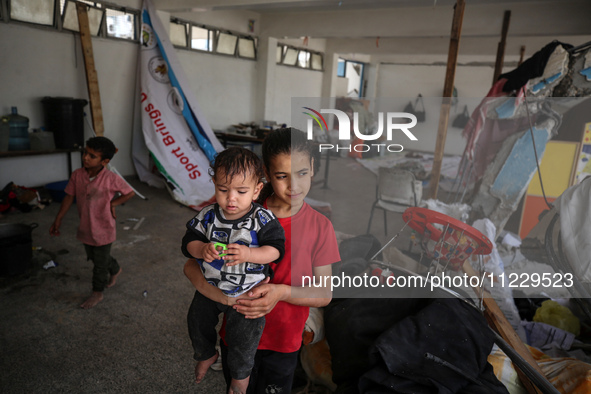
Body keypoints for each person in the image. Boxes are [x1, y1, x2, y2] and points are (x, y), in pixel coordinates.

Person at [184, 128, 340, 394]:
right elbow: (190, 265)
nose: (294, 186)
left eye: (302, 173)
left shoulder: (320, 227)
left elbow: (324, 293)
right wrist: (221, 297)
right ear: (266, 175)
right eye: (282, 176)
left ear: (313, 167)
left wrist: (281, 293)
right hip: (235, 334)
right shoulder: (236, 212)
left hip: (283, 340)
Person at [181, 147, 286, 394]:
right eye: (223, 190)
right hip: (210, 287)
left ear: (257, 190)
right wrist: (201, 249)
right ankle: (206, 354)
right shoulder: (208, 215)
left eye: (241, 191)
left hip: (248, 293)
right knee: (196, 321)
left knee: (244, 341)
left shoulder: (262, 218)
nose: (231, 199)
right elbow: (187, 243)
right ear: (214, 184)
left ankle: (240, 378)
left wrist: (250, 253)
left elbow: (276, 250)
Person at [50, 136, 135, 309]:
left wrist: (113, 203)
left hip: (104, 227)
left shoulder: (111, 178)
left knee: (99, 265)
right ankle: (116, 268)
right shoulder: (77, 175)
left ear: (104, 161)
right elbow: (69, 197)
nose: (85, 158)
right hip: (86, 227)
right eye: (85, 153)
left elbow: (129, 192)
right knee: (94, 256)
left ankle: (97, 292)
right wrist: (58, 219)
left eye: (92, 156)